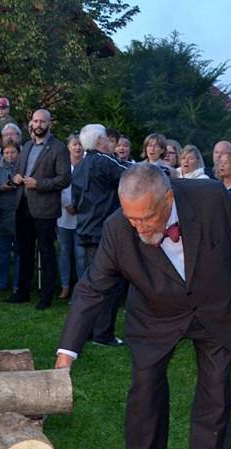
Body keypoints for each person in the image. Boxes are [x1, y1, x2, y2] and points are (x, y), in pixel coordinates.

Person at [55, 164, 231, 449]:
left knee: (215, 395)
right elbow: (92, 289)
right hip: (154, 315)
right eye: (132, 219)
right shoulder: (117, 230)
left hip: (217, 309)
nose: (140, 228)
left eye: (148, 218)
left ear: (168, 197)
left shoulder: (212, 198)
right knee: (145, 392)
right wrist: (67, 354)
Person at [6, 108, 71, 309]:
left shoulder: (59, 148)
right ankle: (23, 292)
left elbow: (65, 179)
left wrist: (40, 184)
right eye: (35, 121)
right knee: (23, 252)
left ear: (49, 123)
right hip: (23, 207)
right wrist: (15, 178)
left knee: (46, 253)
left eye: (42, 121)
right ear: (31, 123)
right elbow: (17, 171)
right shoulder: (26, 146)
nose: (38, 125)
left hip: (45, 210)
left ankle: (46, 297)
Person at [71, 124, 129, 344]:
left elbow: (76, 201)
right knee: (110, 284)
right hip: (104, 232)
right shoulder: (104, 161)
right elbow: (131, 174)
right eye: (106, 138)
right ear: (99, 142)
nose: (110, 142)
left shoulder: (80, 166)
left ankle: (86, 330)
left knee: (91, 285)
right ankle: (103, 334)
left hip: (85, 230)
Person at [0, 140, 20, 292]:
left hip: (19, 214)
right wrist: (1, 187)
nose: (10, 155)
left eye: (13, 152)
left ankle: (18, 283)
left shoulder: (23, 168)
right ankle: (1, 281)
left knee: (20, 252)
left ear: (18, 153)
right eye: (6, 152)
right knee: (1, 252)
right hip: (0, 215)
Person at [57, 133, 83, 299]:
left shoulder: (88, 166)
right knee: (64, 252)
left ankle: (82, 288)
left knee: (81, 254)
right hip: (64, 215)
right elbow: (59, 186)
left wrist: (79, 206)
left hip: (83, 216)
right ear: (68, 147)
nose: (78, 147)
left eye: (80, 144)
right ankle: (65, 286)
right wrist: (67, 204)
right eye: (74, 144)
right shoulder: (63, 166)